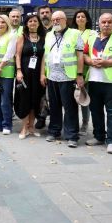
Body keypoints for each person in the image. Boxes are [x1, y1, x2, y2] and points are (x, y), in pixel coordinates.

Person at [83, 13, 112, 153]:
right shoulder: (91, 38)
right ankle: (99, 136)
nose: (106, 24)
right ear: (99, 24)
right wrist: (90, 61)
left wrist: (107, 63)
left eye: (109, 22)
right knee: (95, 110)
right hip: (94, 79)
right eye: (103, 22)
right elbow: (84, 54)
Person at [41, 11, 85, 148]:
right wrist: (43, 73)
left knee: (70, 107)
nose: (55, 21)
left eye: (58, 19)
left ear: (65, 20)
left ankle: (72, 135)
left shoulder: (74, 34)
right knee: (54, 106)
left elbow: (80, 56)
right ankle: (54, 131)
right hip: (52, 76)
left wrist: (79, 74)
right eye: (53, 19)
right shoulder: (49, 35)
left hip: (68, 77)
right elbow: (45, 56)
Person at [15, 12, 46, 139]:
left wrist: (42, 74)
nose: (33, 23)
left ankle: (31, 127)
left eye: (35, 21)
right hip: (25, 74)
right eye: (30, 21)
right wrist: (18, 71)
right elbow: (17, 55)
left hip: (37, 74)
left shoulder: (43, 38)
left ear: (39, 23)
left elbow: (44, 58)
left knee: (35, 100)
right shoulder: (22, 37)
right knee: (24, 100)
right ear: (26, 24)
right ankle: (24, 128)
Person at [72, 9, 95, 135]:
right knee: (71, 99)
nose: (80, 18)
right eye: (78, 16)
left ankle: (85, 123)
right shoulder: (71, 32)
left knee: (84, 98)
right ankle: (73, 123)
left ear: (87, 19)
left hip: (85, 71)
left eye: (83, 16)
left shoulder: (92, 33)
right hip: (71, 70)